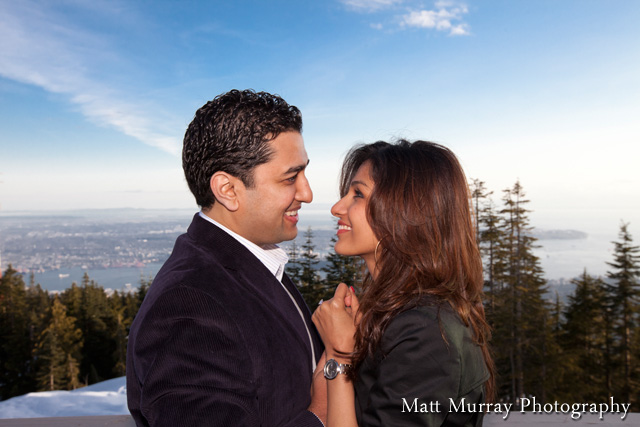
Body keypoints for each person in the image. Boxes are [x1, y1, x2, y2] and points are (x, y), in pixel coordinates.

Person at [126, 89, 326, 427]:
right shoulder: (189, 305)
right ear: (228, 190)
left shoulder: (248, 265)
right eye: (290, 177)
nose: (307, 193)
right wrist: (321, 415)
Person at [312, 140, 495, 427]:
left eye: (358, 194)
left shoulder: (424, 331)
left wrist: (339, 357)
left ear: (405, 212)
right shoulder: (400, 314)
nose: (337, 207)